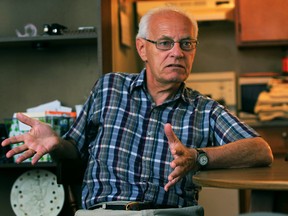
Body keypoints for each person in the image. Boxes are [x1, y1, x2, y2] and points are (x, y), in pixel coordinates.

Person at [2, 6, 273, 216]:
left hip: (169, 214)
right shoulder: (109, 88)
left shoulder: (204, 109)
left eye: (186, 43)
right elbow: (74, 149)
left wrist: (197, 157)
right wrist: (56, 143)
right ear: (143, 48)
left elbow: (261, 149)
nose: (177, 52)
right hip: (103, 212)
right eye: (165, 43)